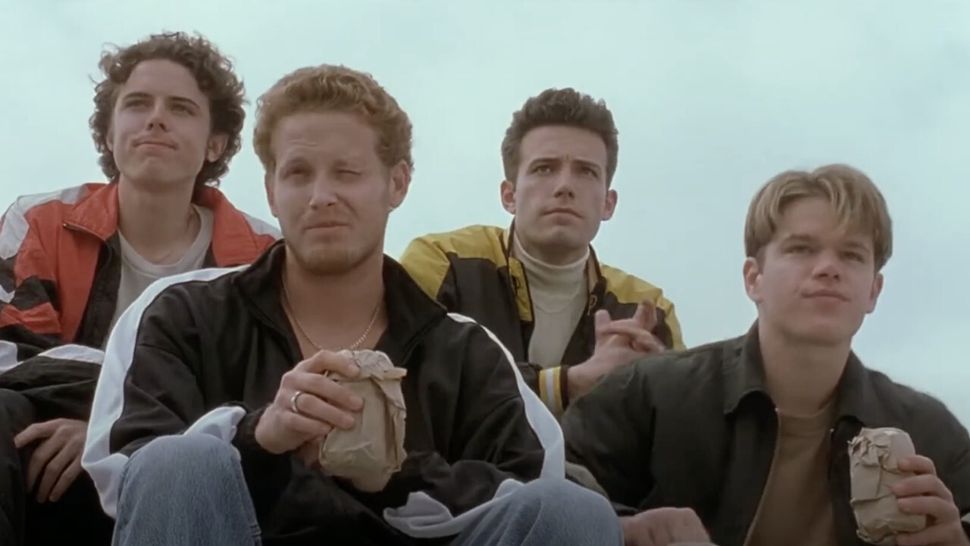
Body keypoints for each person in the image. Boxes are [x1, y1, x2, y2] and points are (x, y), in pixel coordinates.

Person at [82, 64, 622, 546]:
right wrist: (259, 437)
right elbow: (127, 471)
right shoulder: (180, 313)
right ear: (270, 190)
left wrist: (394, 475)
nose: (322, 196)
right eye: (298, 173)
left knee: (576, 511)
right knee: (178, 459)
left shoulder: (467, 351)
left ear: (397, 183)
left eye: (347, 172)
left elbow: (532, 486)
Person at [563, 164, 970, 546]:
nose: (828, 268)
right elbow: (547, 488)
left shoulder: (929, 433)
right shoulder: (651, 395)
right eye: (802, 249)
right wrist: (623, 528)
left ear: (873, 291)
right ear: (753, 278)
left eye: (851, 255)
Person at [0, 31, 277, 545]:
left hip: (191, 459)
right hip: (45, 451)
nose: (156, 119)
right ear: (109, 133)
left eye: (181, 108)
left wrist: (113, 431)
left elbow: (267, 389)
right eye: (137, 104)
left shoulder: (264, 256)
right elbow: (12, 352)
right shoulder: (38, 221)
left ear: (215, 143)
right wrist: (102, 422)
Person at [401, 88, 683, 417]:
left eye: (586, 171)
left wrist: (657, 387)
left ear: (608, 203)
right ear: (509, 195)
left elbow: (684, 425)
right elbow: (407, 381)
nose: (564, 186)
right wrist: (564, 386)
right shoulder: (443, 263)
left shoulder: (648, 309)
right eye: (544, 168)